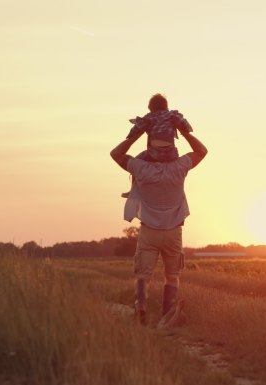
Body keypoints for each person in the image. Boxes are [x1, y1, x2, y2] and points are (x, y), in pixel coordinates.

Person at [110, 112, 207, 326]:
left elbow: (115, 153)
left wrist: (137, 133)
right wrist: (183, 131)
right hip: (174, 232)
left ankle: (141, 310)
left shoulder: (141, 168)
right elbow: (202, 151)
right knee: (172, 276)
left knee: (143, 276)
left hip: (149, 232)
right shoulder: (180, 167)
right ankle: (168, 313)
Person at [121, 94, 193, 198]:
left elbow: (135, 129)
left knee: (136, 162)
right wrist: (184, 130)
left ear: (151, 108)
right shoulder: (172, 115)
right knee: (179, 168)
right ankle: (177, 188)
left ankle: (133, 190)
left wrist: (130, 136)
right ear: (166, 106)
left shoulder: (149, 117)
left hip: (153, 154)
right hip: (171, 153)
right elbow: (186, 125)